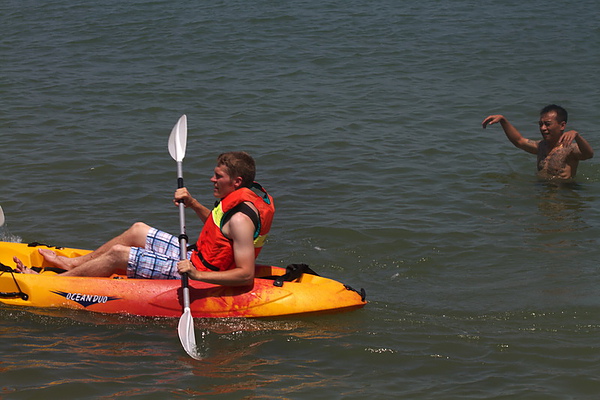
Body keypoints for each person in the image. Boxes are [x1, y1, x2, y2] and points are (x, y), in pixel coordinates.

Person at [14, 151, 275, 286]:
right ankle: (73, 264)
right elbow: (219, 227)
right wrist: (193, 203)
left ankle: (51, 283)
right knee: (138, 230)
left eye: (218, 176)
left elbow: (244, 275)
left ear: (237, 181)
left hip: (201, 272)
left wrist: (196, 274)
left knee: (119, 254)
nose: (212, 179)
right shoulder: (236, 200)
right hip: (196, 257)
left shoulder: (242, 219)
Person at [482, 104, 593, 180]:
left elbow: (589, 154)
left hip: (563, 194)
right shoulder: (541, 146)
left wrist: (577, 136)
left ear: (562, 125)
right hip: (542, 190)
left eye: (548, 124)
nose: (543, 128)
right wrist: (503, 120)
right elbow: (519, 141)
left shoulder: (569, 149)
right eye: (541, 124)